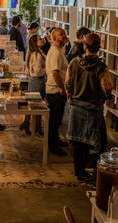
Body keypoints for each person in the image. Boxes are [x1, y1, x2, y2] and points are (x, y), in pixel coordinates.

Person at [65, 33, 113, 183]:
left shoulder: (74, 63)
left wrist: (71, 101)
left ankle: (79, 173)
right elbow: (107, 88)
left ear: (85, 46)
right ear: (98, 49)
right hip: (94, 110)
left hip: (77, 108)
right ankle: (95, 175)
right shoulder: (101, 67)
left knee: (78, 143)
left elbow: (68, 84)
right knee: (99, 143)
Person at [45, 28, 69, 156]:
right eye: (61, 34)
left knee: (58, 118)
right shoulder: (55, 52)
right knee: (54, 119)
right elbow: (55, 73)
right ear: (55, 38)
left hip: (57, 89)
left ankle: (56, 141)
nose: (64, 36)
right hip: (55, 90)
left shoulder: (60, 50)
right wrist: (62, 88)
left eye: (64, 33)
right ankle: (53, 146)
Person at [20, 34, 46, 135]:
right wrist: (47, 70)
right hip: (37, 80)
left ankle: (30, 124)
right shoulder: (37, 55)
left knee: (33, 103)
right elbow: (37, 71)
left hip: (33, 80)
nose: (42, 40)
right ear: (35, 42)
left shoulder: (32, 52)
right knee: (37, 104)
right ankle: (37, 126)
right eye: (40, 39)